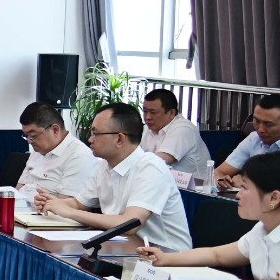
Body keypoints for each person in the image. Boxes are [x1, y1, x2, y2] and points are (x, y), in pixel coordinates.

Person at [34, 102, 192, 252]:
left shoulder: (150, 168)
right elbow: (79, 203)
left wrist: (68, 212)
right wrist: (53, 203)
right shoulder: (104, 165)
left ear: (119, 139)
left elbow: (129, 224)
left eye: (96, 134)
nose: (90, 139)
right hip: (124, 249)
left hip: (167, 258)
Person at [138, 153, 280, 280]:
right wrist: (165, 258)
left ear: (274, 198)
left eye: (244, 188)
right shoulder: (261, 229)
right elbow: (216, 255)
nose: (238, 195)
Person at [15, 102, 101, 199]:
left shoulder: (79, 156)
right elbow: (19, 188)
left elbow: (65, 205)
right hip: (20, 205)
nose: (29, 141)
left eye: (33, 135)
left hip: (41, 208)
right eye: (26, 136)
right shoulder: (38, 150)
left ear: (55, 130)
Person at [215, 94, 280, 188]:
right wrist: (222, 181)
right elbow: (219, 171)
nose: (260, 129)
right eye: (256, 121)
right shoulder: (254, 138)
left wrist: (245, 182)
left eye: (268, 124)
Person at [139, 88, 210, 176]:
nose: (147, 117)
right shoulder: (147, 128)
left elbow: (158, 162)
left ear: (171, 113)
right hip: (163, 181)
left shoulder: (183, 128)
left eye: (153, 112)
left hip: (194, 184)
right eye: (145, 111)